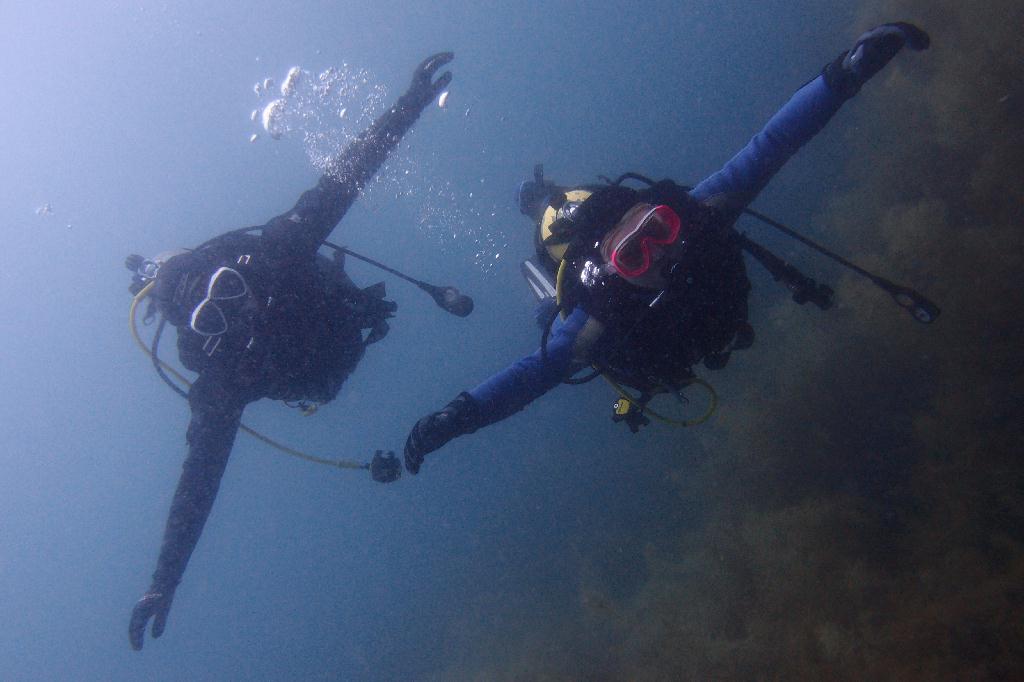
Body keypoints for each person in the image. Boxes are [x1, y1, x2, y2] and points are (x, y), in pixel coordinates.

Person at [403, 23, 930, 473]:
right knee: (552, 319)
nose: (658, 256)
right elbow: (533, 374)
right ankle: (545, 278)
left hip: (669, 316)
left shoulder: (701, 213)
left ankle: (546, 218)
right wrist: (456, 417)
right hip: (594, 306)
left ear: (667, 214)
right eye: (633, 256)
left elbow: (770, 145)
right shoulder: (597, 312)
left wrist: (849, 71)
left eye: (656, 231)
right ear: (615, 273)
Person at [126, 52, 454, 650]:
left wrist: (408, 105)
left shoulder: (275, 253)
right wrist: (163, 582)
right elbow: (198, 483)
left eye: (223, 287)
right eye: (210, 313)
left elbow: (346, 178)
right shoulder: (221, 374)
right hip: (328, 360)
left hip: (340, 330)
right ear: (195, 331)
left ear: (228, 264)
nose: (232, 306)